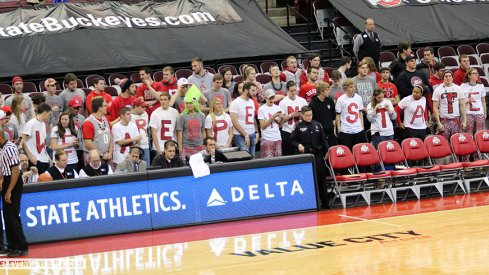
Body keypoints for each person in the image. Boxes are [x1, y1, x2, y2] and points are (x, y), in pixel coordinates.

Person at [290, 106, 329, 208]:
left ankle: (325, 203)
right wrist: (298, 145)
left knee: (322, 180)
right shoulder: (298, 127)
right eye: (306, 115)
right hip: (306, 156)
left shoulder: (317, 125)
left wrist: (327, 151)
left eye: (310, 115)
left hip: (318, 155)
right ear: (302, 115)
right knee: (308, 180)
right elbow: (291, 140)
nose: (309, 117)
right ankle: (310, 203)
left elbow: (323, 140)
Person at [0, 126, 28, 257]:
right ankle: (11, 246)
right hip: (7, 180)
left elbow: (15, 171)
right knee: (7, 216)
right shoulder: (3, 148)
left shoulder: (9, 148)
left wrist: (9, 190)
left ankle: (21, 246)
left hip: (14, 182)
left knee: (12, 216)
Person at [432, 70, 467, 140]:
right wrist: (438, 122)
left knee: (457, 141)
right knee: (443, 142)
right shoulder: (438, 90)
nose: (448, 78)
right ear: (443, 78)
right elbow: (435, 107)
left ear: (452, 78)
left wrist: (464, 120)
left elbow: (462, 105)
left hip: (456, 119)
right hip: (444, 119)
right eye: (446, 76)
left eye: (450, 76)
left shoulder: (458, 88)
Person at [229, 82, 259, 157]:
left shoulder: (252, 102)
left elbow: (253, 118)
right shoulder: (235, 103)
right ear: (246, 90)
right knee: (245, 158)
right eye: (252, 91)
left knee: (252, 158)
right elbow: (234, 122)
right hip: (240, 135)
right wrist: (245, 134)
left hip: (252, 133)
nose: (254, 93)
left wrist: (256, 132)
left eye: (254, 90)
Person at [335, 79, 366, 149]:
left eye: (353, 86)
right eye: (350, 87)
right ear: (345, 88)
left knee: (360, 151)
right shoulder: (340, 100)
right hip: (346, 130)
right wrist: (339, 128)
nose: (353, 88)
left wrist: (362, 126)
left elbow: (360, 113)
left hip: (358, 129)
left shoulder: (358, 98)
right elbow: (338, 115)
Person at [82, 97, 113, 167]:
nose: (107, 106)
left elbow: (110, 137)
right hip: (94, 157)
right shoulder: (88, 123)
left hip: (107, 155)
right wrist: (101, 154)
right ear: (99, 108)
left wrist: (110, 153)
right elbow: (88, 143)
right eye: (105, 105)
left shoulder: (105, 119)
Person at [279, 81, 308, 155]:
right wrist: (292, 115)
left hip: (300, 130)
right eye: (291, 90)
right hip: (288, 131)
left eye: (295, 90)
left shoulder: (302, 101)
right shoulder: (283, 102)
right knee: (289, 155)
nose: (293, 92)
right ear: (287, 90)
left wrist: (301, 115)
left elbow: (308, 116)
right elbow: (281, 121)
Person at [22, 103, 52, 174]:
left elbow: (43, 143)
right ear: (44, 113)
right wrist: (30, 156)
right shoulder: (31, 123)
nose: (49, 116)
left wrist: (47, 156)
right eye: (49, 114)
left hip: (44, 158)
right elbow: (23, 140)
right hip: (35, 159)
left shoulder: (43, 124)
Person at [176, 96, 206, 163]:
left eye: (191, 103)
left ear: (195, 104)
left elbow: (203, 130)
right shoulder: (182, 116)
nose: (189, 105)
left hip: (199, 145)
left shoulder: (201, 115)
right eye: (187, 103)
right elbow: (179, 133)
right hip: (187, 146)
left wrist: (204, 144)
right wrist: (180, 148)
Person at [150, 92, 179, 157]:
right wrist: (158, 149)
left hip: (172, 145)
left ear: (169, 100)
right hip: (160, 146)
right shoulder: (155, 113)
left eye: (165, 99)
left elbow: (177, 130)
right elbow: (153, 133)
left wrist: (177, 145)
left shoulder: (175, 112)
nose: (163, 101)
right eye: (161, 99)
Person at [309, 82, 337, 146]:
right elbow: (313, 119)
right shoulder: (313, 103)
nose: (329, 91)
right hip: (320, 133)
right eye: (327, 90)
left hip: (331, 132)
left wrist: (334, 128)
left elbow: (333, 116)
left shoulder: (330, 101)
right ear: (321, 91)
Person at [460, 68, 486, 135]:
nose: (476, 75)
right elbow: (460, 102)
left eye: (477, 73)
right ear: (469, 75)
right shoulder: (462, 86)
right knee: (468, 134)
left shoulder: (481, 86)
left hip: (479, 112)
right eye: (474, 73)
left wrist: (484, 113)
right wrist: (467, 100)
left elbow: (483, 101)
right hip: (468, 113)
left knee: (480, 134)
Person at [258, 89, 283, 158]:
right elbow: (262, 126)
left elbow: (280, 125)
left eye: (273, 98)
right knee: (268, 160)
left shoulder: (277, 107)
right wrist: (272, 118)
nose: (271, 100)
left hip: (277, 136)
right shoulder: (262, 109)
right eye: (270, 98)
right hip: (267, 137)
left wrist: (281, 118)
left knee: (278, 159)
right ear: (265, 98)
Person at [130, 98, 151, 165]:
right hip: (135, 145)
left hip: (145, 144)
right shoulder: (130, 116)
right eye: (142, 107)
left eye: (145, 106)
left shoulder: (145, 114)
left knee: (146, 166)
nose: (144, 108)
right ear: (136, 107)